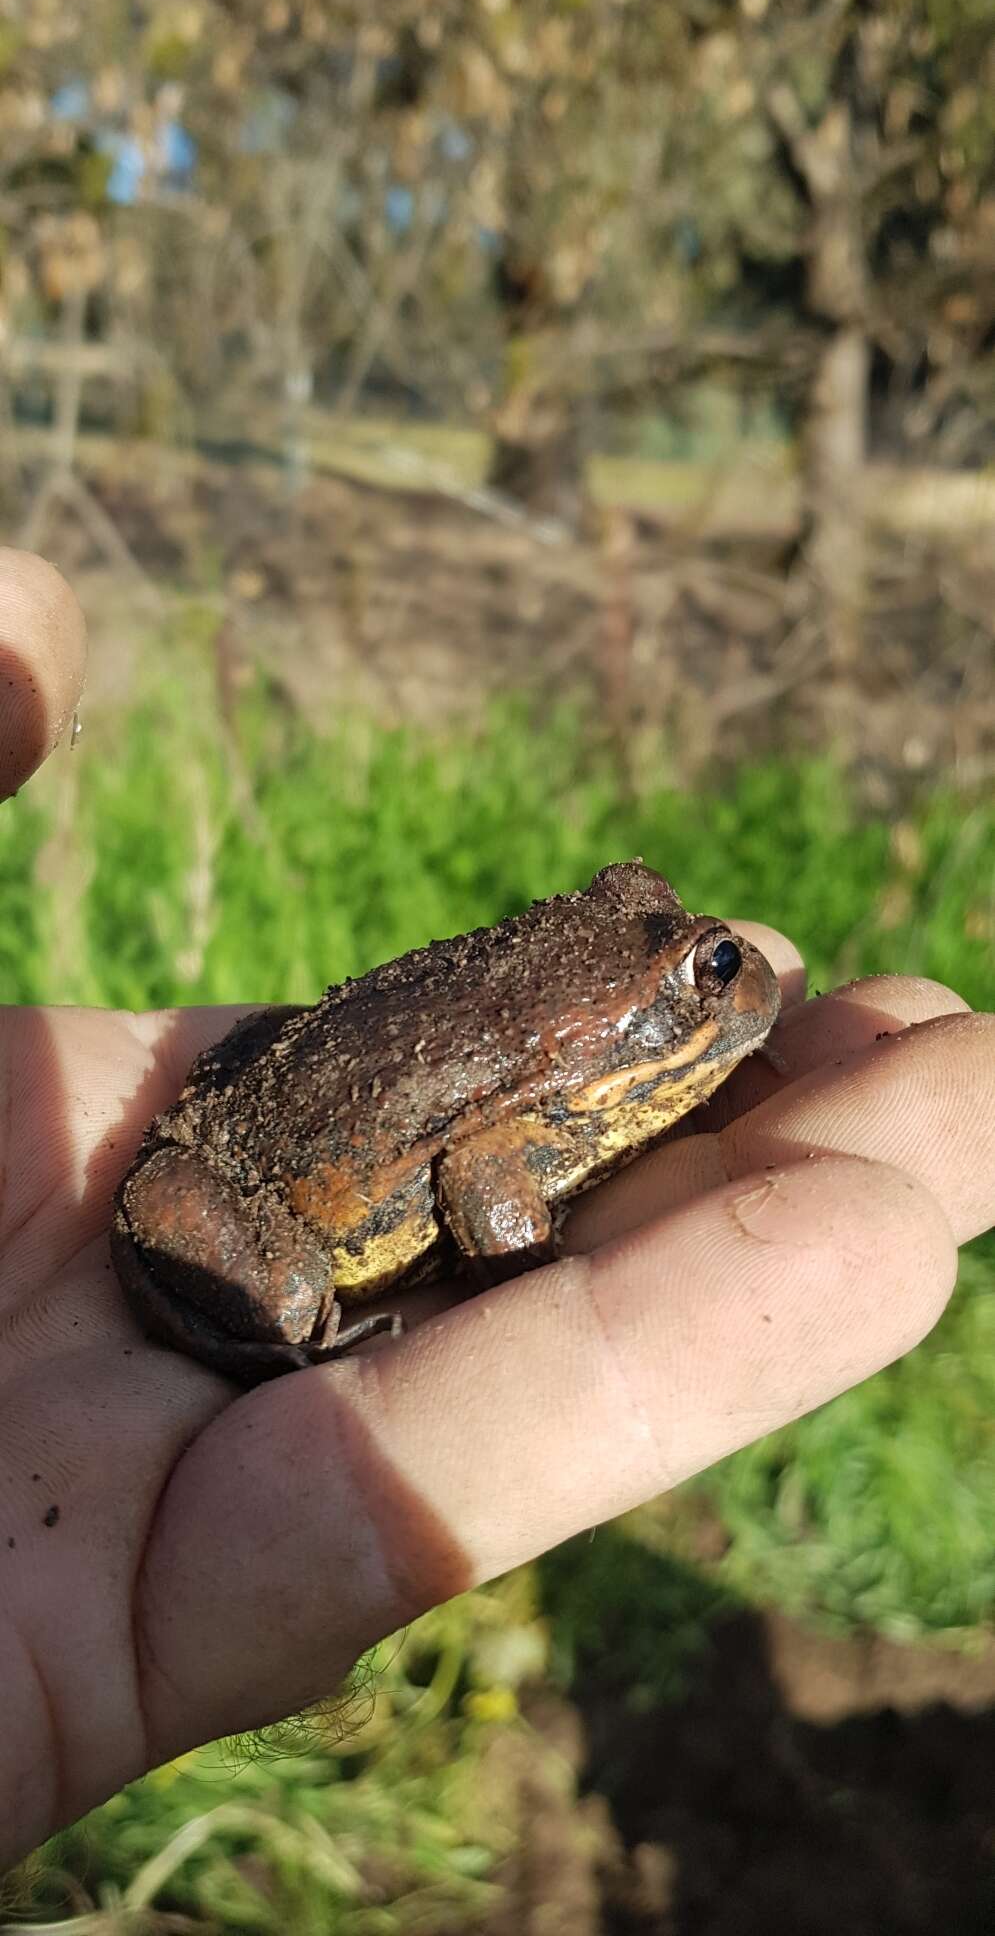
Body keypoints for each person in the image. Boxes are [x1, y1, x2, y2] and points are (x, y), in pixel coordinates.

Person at [1, 544, 991, 1870]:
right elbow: (480, 1182)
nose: (731, 972)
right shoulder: (556, 1091)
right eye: (701, 968)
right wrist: (527, 1273)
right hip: (258, 1198)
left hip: (292, 1092)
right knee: (295, 1296)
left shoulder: (584, 1054)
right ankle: (260, 1348)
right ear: (638, 1012)